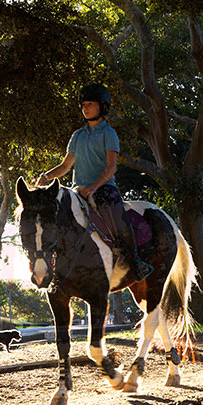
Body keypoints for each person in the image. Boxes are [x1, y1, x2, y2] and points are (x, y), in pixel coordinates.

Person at [35, 83, 150, 283]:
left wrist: (94, 187)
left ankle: (135, 260)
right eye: (83, 104)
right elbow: (65, 166)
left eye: (90, 104)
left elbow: (111, 167)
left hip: (104, 188)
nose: (85, 108)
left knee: (116, 213)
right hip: (78, 190)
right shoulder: (77, 136)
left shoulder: (109, 134)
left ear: (102, 106)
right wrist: (46, 177)